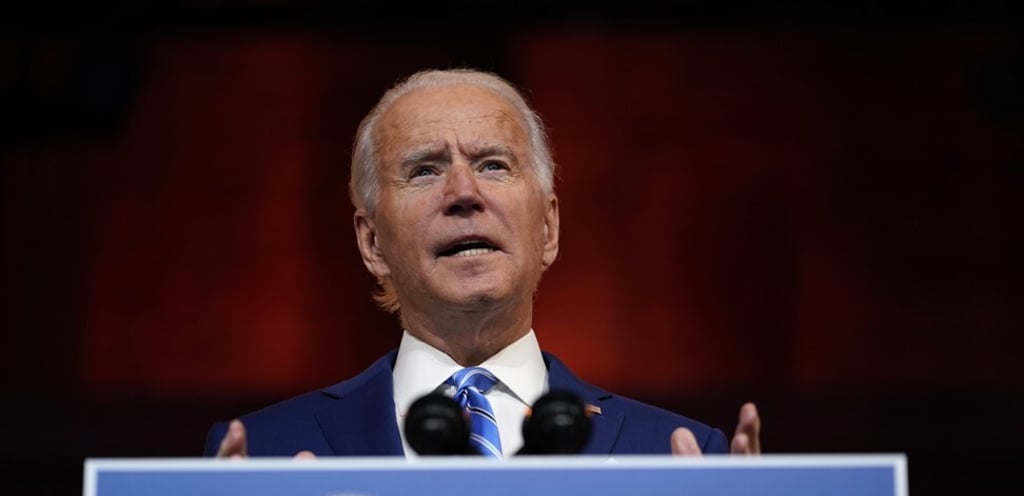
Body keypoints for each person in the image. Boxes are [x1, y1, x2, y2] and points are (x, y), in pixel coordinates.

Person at [205, 67, 761, 459]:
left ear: (548, 228)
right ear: (372, 243)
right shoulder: (264, 454)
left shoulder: (679, 456)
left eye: (493, 165)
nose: (464, 193)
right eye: (424, 170)